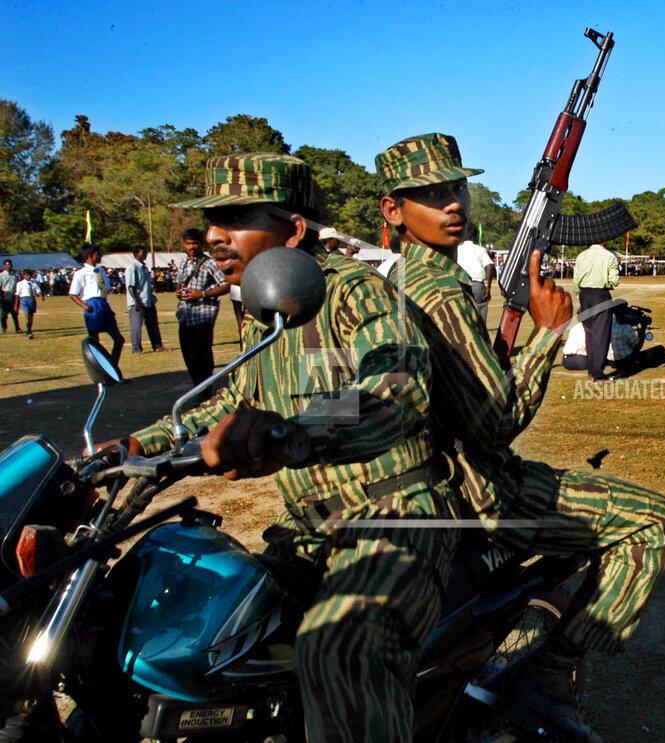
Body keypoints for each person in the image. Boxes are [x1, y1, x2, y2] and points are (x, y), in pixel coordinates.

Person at [110, 153, 457, 743]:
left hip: (396, 517)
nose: (214, 235)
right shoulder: (265, 303)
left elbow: (395, 387)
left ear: (294, 230)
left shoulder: (354, 292)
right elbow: (235, 399)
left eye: (237, 217)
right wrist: (144, 439)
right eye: (213, 220)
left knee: (338, 651)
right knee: (218, 626)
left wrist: (289, 432)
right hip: (307, 527)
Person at [377, 133, 665, 741]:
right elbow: (494, 426)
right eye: (431, 194)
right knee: (654, 522)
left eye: (457, 188)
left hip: (437, 479)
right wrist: (546, 334)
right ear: (393, 210)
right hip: (479, 487)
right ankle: (552, 674)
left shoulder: (402, 281)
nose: (453, 203)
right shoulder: (438, 293)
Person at [175, 228, 230, 385]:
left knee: (202, 353)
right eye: (188, 244)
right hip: (185, 314)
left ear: (201, 244)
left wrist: (202, 294)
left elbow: (226, 285)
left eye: (195, 244)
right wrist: (179, 292)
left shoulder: (210, 263)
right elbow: (179, 282)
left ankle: (205, 390)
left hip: (203, 315)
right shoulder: (183, 263)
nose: (192, 247)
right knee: (188, 353)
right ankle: (197, 386)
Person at [68, 244, 125, 366]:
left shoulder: (101, 271)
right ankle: (100, 370)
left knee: (119, 339)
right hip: (92, 305)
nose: (100, 256)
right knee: (95, 342)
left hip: (104, 304)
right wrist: (86, 307)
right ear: (90, 256)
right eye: (98, 254)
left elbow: (106, 289)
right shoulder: (81, 273)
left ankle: (112, 367)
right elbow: (72, 294)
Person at [572, 241, 620, 382]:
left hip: (584, 294)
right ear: (605, 240)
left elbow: (576, 281)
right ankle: (598, 374)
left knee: (590, 333)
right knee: (601, 334)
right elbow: (614, 280)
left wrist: (579, 294)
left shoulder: (581, 255)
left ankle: (592, 372)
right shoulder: (609, 256)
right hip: (601, 294)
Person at [125, 246, 166, 354]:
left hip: (148, 301)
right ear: (137, 253)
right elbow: (130, 287)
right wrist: (136, 301)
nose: (146, 254)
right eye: (143, 252)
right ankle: (136, 349)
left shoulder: (144, 267)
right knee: (136, 326)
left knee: (153, 324)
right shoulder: (132, 267)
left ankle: (157, 346)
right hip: (138, 302)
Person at [456, 232, 494, 323]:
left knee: (463, 314)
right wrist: (488, 288)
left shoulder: (457, 249)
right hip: (477, 285)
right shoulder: (480, 249)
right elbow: (489, 266)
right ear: (474, 237)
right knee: (481, 312)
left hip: (461, 284)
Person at [15, 269, 43, 338]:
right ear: (24, 276)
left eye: (29, 275)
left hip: (32, 300)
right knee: (27, 313)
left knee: (31, 316)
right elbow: (17, 294)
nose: (28, 277)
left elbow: (37, 290)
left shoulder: (34, 282)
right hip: (24, 299)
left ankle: (29, 328)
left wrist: (41, 295)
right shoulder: (20, 283)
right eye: (26, 275)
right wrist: (16, 304)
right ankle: (29, 331)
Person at [0, 259, 21, 334]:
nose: (9, 266)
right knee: (3, 315)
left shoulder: (16, 275)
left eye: (10, 264)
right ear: (4, 266)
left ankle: (17, 328)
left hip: (14, 295)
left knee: (15, 313)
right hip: (5, 295)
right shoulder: (1, 275)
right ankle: (4, 327)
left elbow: (19, 285)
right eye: (7, 265)